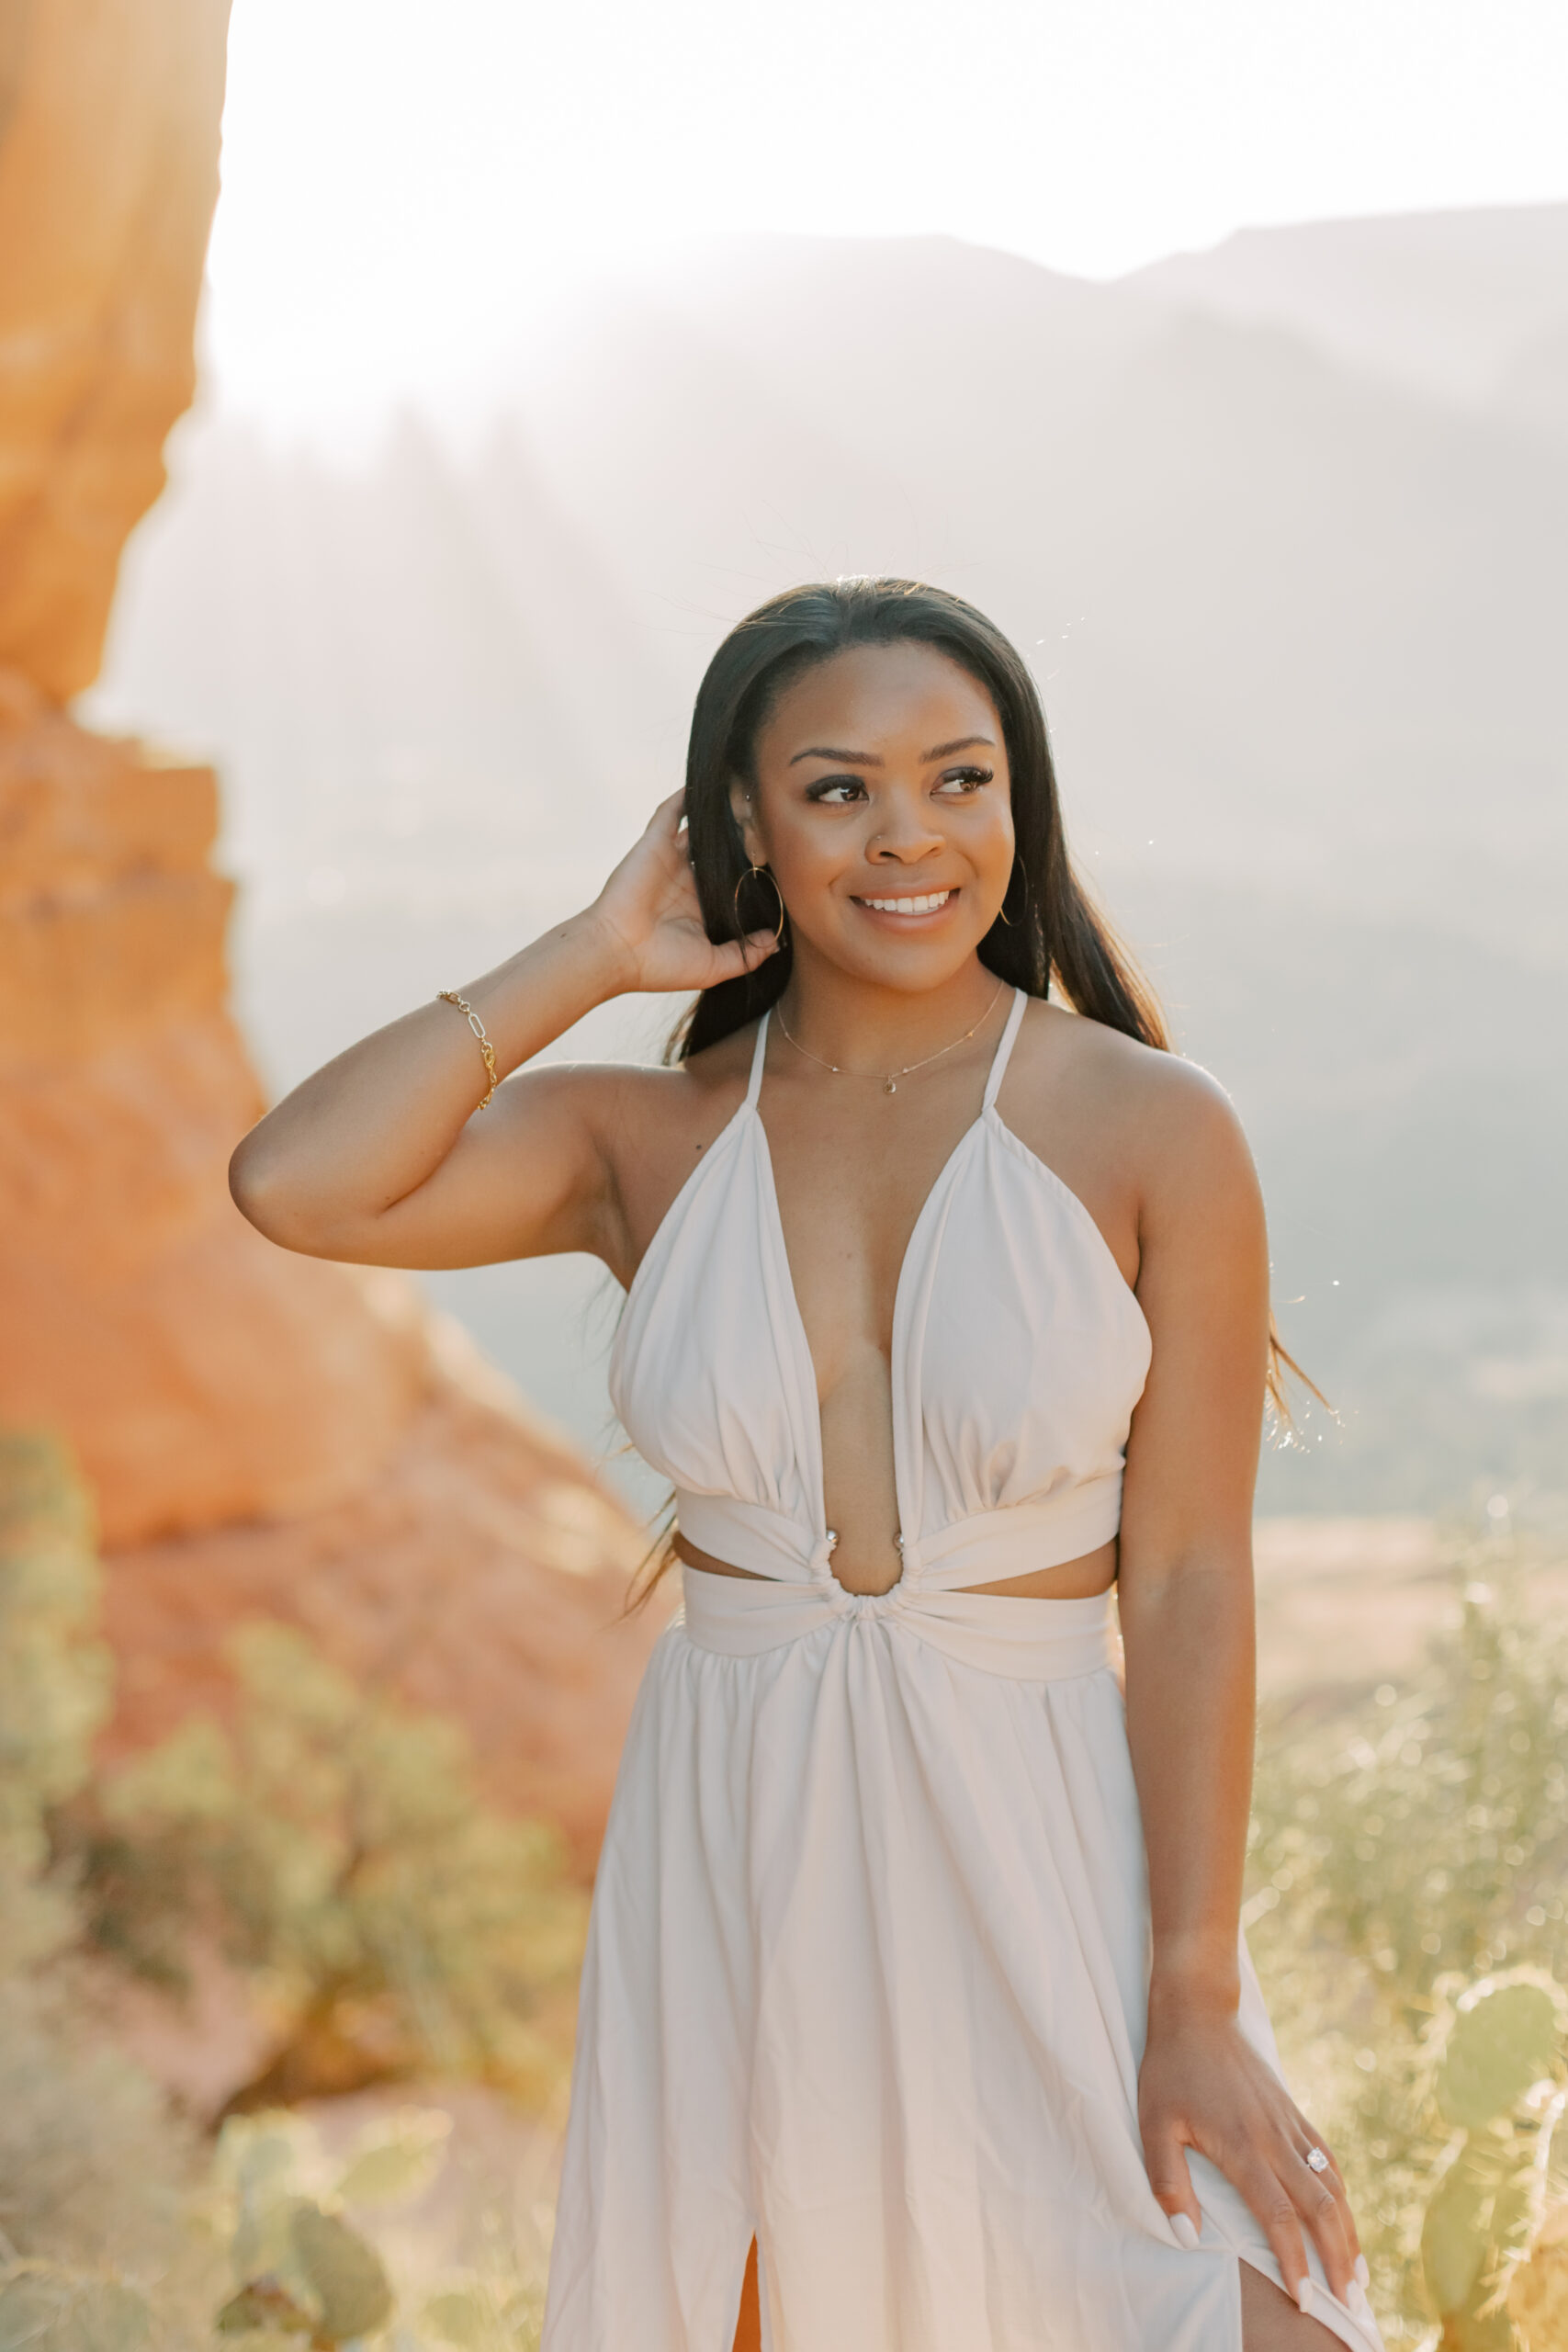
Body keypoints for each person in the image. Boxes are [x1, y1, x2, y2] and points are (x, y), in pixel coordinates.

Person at [230, 578, 1382, 2352]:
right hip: (744, 1833)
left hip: (1046, 1841)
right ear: (742, 825)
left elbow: (1190, 1578)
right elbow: (297, 1183)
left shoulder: (1153, 1125)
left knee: (1225, 2310)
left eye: (962, 779)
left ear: (1022, 801)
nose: (911, 836)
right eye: (838, 788)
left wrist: (1197, 1989)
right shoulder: (644, 1136)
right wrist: (594, 955)